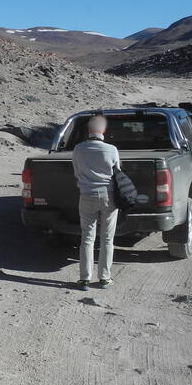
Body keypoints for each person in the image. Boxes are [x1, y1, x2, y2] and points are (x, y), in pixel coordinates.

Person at [71, 115, 119, 290]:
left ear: (89, 130)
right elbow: (117, 172)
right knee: (107, 238)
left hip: (86, 195)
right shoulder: (112, 149)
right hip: (108, 196)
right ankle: (105, 278)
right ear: (103, 131)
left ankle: (84, 278)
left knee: (87, 237)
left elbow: (76, 171)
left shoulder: (78, 149)